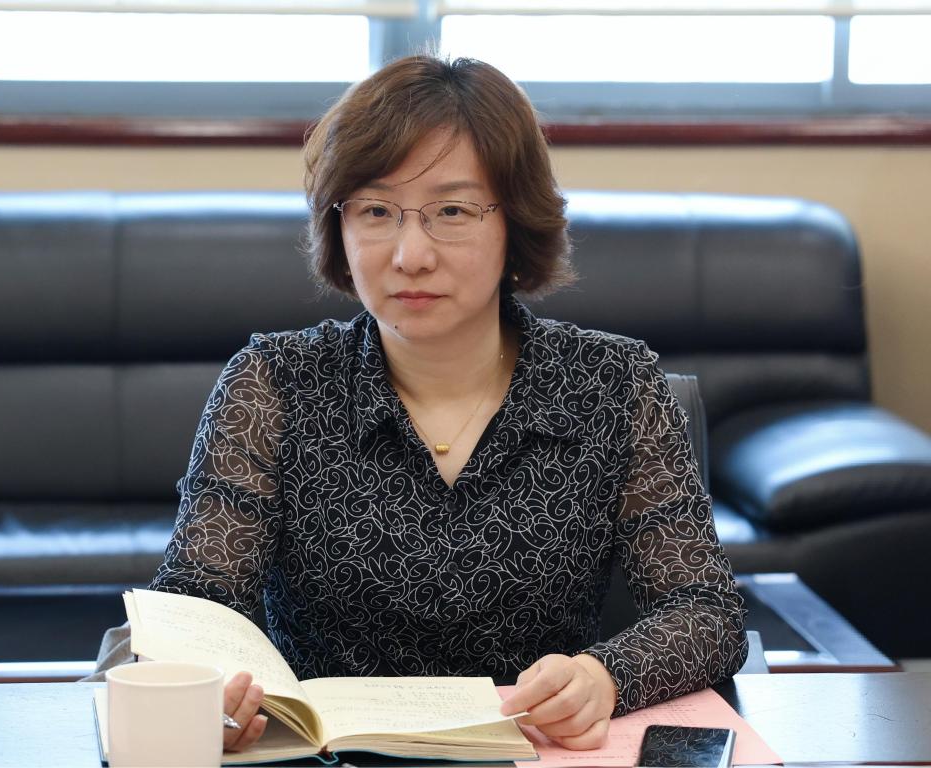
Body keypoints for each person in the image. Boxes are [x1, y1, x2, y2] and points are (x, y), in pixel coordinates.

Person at [91, 54, 747, 754]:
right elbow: (194, 604)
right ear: (339, 227)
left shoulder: (614, 384)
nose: (410, 254)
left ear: (515, 224)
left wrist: (603, 676)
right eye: (376, 211)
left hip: (534, 753)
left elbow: (706, 611)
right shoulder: (273, 383)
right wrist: (210, 689)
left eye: (452, 212)